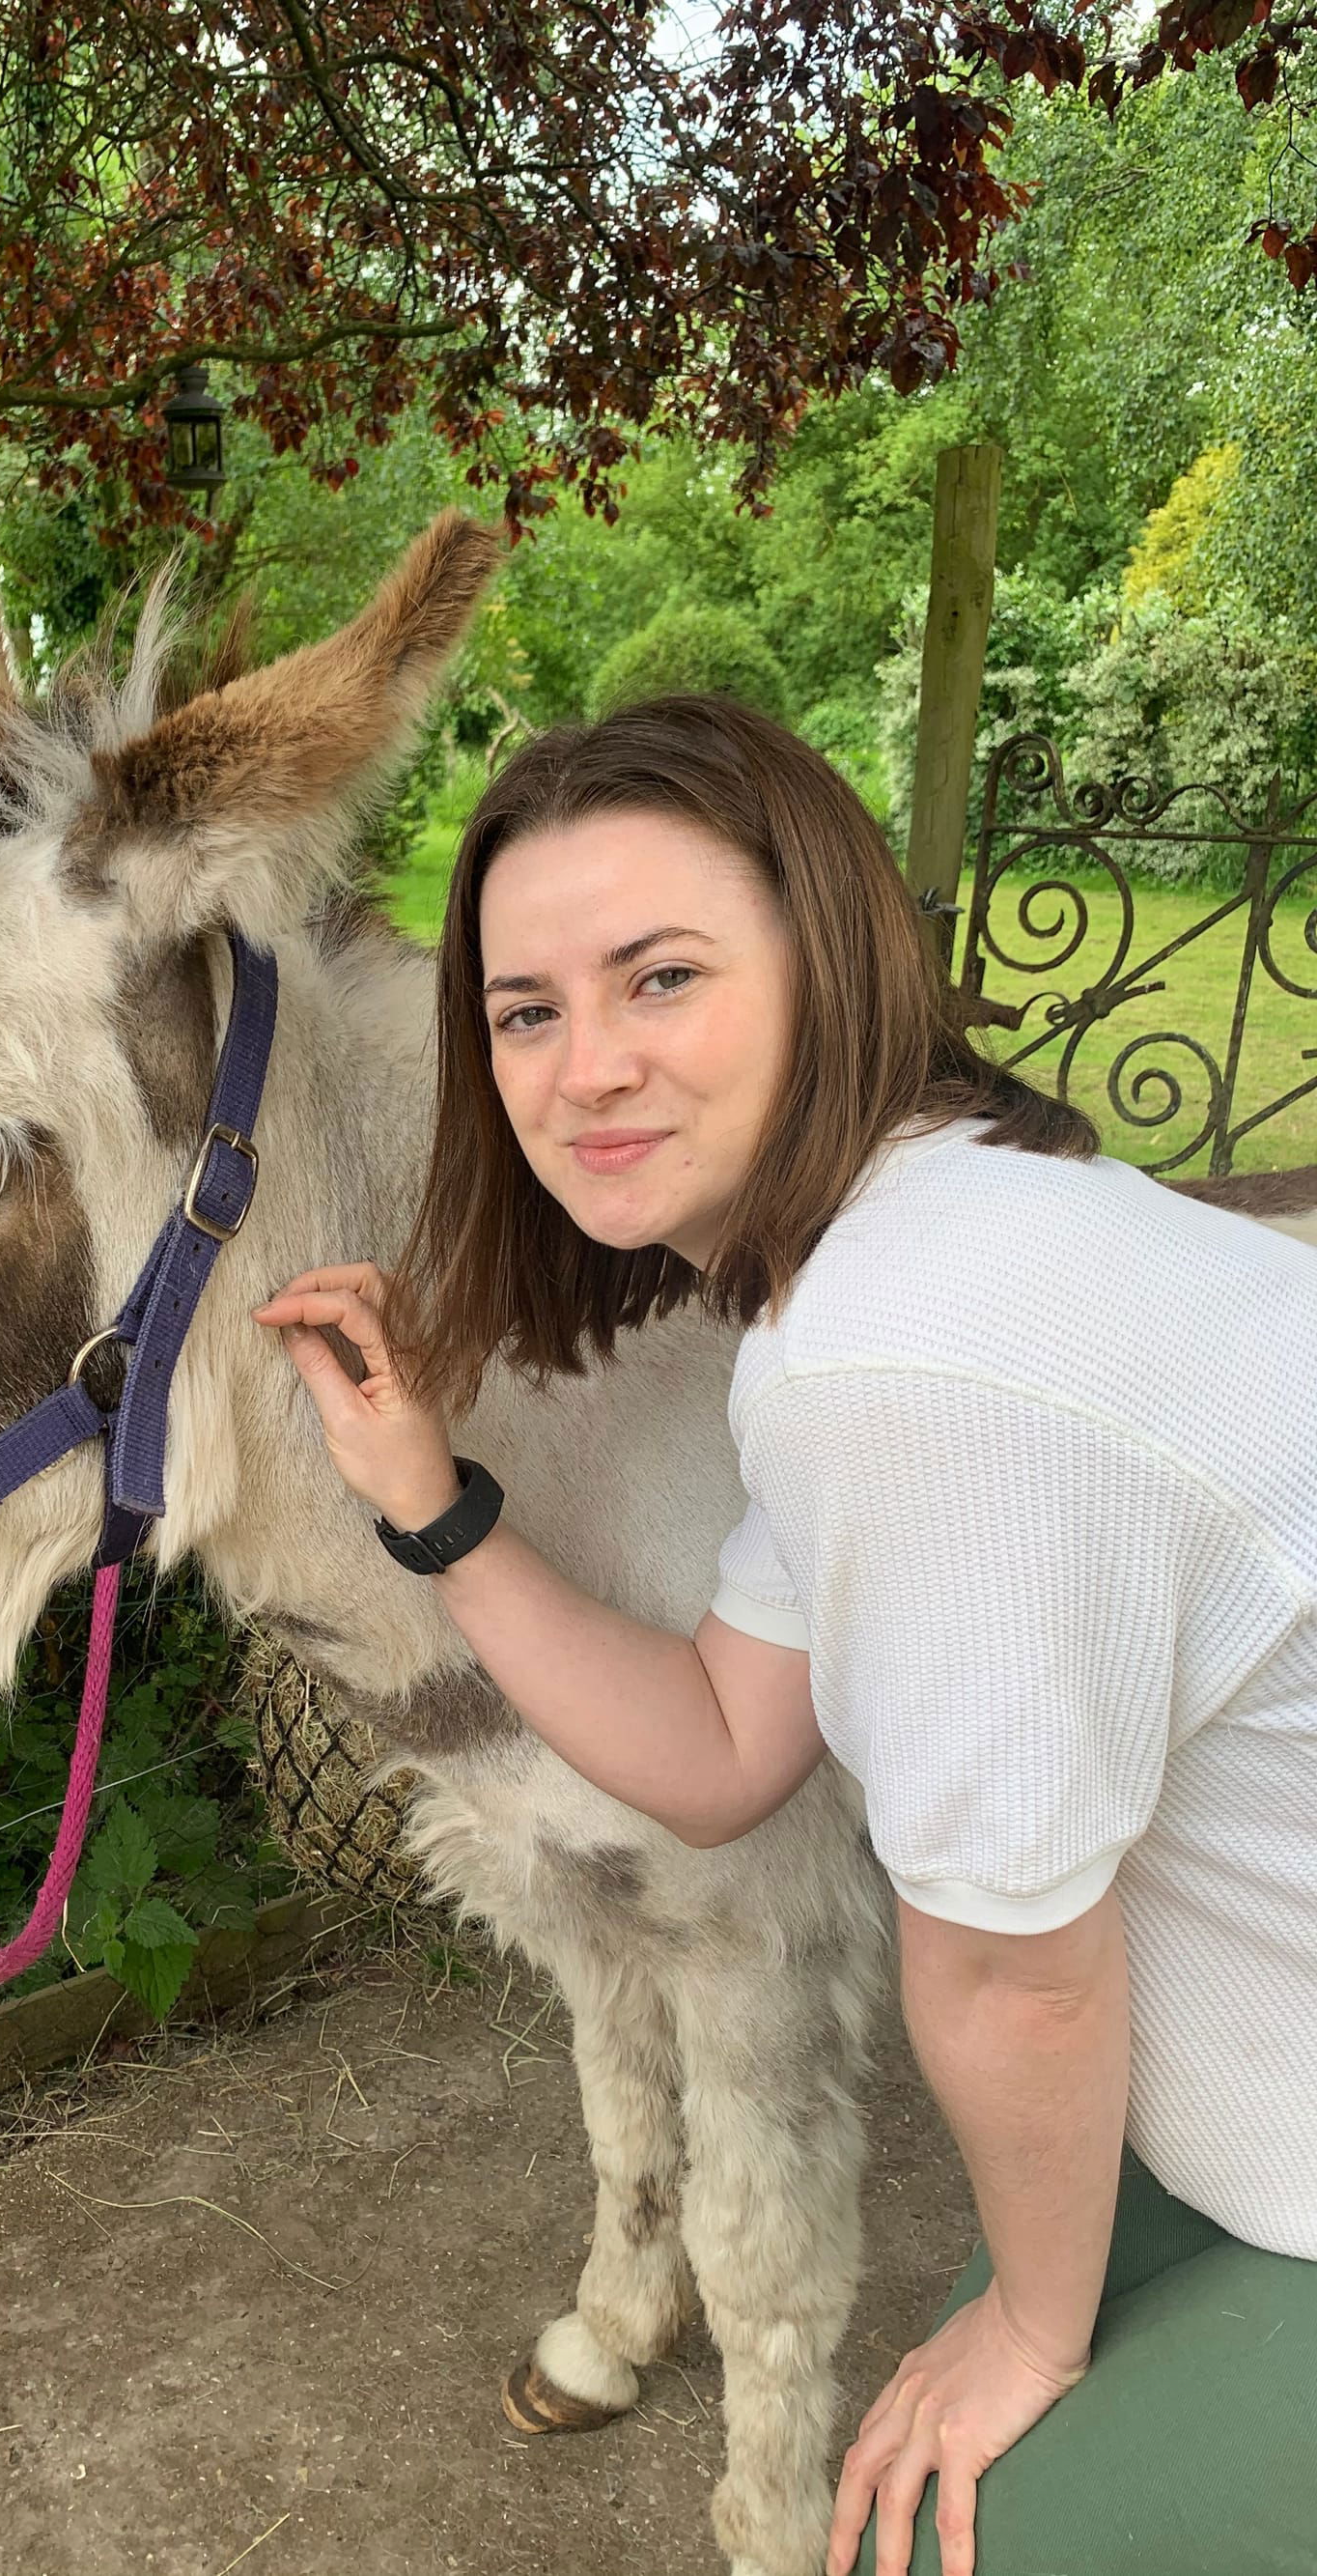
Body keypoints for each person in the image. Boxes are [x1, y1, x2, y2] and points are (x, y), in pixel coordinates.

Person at [252, 696, 1317, 2576]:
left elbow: (1017, 1978)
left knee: (927, 2530)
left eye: (660, 977)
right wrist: (424, 1491)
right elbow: (722, 1744)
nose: (583, 1068)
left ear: (825, 967)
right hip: (1239, 2093)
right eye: (524, 1009)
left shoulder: (904, 1354)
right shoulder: (926, 1246)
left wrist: (1031, 2327)